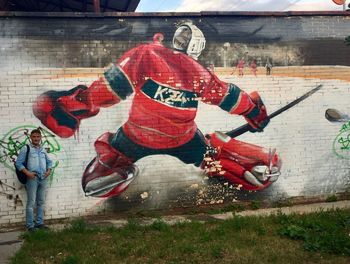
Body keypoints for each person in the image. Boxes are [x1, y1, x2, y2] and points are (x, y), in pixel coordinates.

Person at [33, 21, 280, 198]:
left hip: (135, 135)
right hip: (182, 138)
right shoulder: (200, 74)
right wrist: (253, 111)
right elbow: (229, 97)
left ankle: (113, 167)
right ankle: (233, 165)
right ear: (197, 48)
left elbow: (108, 90)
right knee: (208, 153)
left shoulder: (146, 53)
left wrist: (80, 102)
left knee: (113, 154)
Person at [15, 129, 52, 231]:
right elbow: (18, 163)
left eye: (38, 137)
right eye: (34, 137)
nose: (36, 138)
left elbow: (49, 162)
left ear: (40, 138)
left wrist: (48, 171)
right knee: (31, 202)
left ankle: (39, 223)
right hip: (32, 179)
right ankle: (30, 226)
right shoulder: (26, 148)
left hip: (43, 178)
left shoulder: (43, 149)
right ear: (31, 137)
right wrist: (28, 173)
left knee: (40, 201)